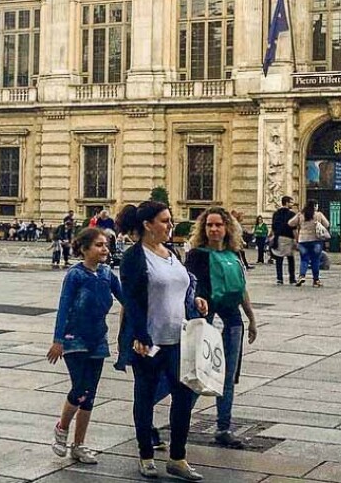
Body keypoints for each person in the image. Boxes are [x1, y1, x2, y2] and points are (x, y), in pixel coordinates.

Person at [117, 201, 207, 481]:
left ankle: (178, 458)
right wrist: (140, 336)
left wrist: (197, 300)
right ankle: (146, 454)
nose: (171, 225)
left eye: (170, 220)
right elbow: (130, 300)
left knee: (184, 397)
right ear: (148, 225)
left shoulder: (172, 252)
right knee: (144, 398)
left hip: (178, 338)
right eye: (165, 220)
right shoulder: (134, 257)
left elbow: (182, 286)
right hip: (149, 341)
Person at [48, 227, 124, 465]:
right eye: (99, 245)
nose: (105, 249)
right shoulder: (75, 275)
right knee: (80, 389)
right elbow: (64, 307)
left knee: (89, 394)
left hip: (97, 339)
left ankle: (79, 445)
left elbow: (127, 298)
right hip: (74, 339)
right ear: (84, 249)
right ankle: (62, 428)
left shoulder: (107, 274)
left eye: (106, 245)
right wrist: (58, 340)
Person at [184, 207, 259, 449]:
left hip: (232, 321)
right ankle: (180, 420)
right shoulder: (197, 255)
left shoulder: (234, 253)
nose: (214, 229)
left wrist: (251, 318)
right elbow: (189, 287)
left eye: (218, 225)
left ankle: (223, 428)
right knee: (199, 374)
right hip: (206, 320)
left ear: (227, 227)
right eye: (209, 225)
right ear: (204, 229)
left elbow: (242, 289)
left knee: (227, 377)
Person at [288, 199, 329, 288]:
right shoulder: (318, 215)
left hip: (303, 240)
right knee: (315, 260)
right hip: (316, 240)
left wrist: (300, 225)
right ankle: (316, 280)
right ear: (315, 206)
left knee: (304, 259)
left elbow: (290, 223)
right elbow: (327, 224)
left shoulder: (300, 215)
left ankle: (301, 276)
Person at [271, 196, 297, 285]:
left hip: (279, 237)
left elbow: (273, 227)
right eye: (291, 202)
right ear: (286, 203)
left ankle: (279, 279)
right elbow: (294, 228)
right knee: (290, 259)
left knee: (279, 259)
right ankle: (292, 279)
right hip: (289, 238)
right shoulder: (292, 214)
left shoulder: (276, 213)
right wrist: (296, 239)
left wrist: (272, 236)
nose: (292, 204)